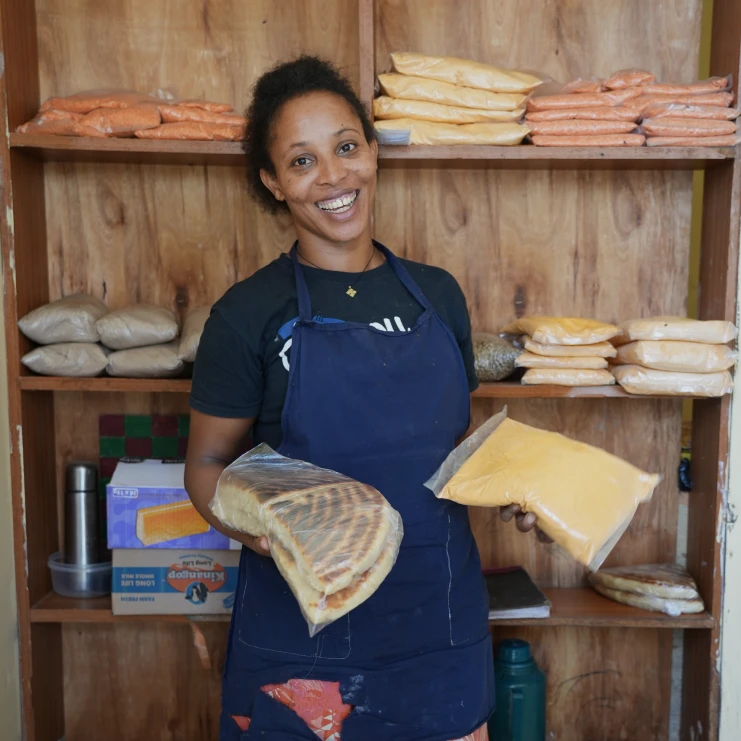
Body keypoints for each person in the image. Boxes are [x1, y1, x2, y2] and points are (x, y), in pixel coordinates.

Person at [184, 55, 540, 741]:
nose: (334, 177)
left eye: (346, 147)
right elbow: (205, 464)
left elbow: (446, 451)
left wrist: (517, 486)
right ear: (272, 182)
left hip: (436, 625)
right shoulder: (247, 313)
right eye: (301, 161)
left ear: (372, 152)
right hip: (301, 634)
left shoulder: (437, 295)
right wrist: (266, 534)